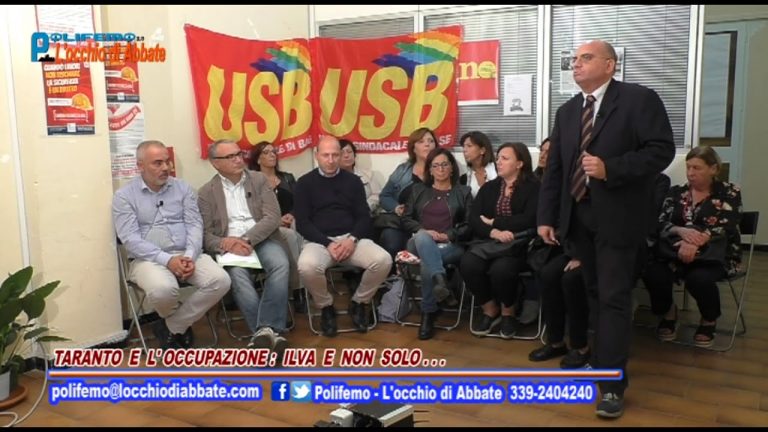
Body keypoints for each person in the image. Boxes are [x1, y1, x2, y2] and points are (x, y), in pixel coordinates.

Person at [537, 40, 675, 418]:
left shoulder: (638, 99)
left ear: (610, 65)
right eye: (574, 59)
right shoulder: (568, 111)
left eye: (586, 58)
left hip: (618, 218)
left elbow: (661, 151)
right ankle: (600, 361)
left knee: (613, 298)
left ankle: (612, 385)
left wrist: (611, 168)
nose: (576, 64)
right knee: (595, 294)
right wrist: (546, 217)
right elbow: (556, 169)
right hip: (578, 218)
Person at [113, 140, 230, 349]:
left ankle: (172, 326)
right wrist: (168, 260)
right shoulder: (124, 196)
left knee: (221, 281)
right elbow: (130, 239)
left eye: (167, 162)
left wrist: (189, 255)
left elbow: (195, 225)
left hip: (187, 253)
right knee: (163, 291)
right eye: (157, 163)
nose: (166, 167)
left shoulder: (183, 188)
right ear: (140, 166)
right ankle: (180, 325)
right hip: (148, 259)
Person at [198, 139, 295, 354]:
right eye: (230, 156)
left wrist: (246, 239)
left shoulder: (259, 180)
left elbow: (272, 217)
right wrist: (226, 243)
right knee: (237, 275)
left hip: (261, 238)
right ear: (215, 163)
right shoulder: (206, 193)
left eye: (238, 154)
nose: (237, 159)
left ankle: (264, 331)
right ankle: (268, 332)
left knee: (280, 263)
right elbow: (205, 235)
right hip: (230, 246)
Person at [642, 146, 742, 348]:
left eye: (697, 168)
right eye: (688, 167)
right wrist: (680, 231)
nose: (690, 173)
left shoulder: (729, 192)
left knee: (699, 278)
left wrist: (695, 241)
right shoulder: (676, 192)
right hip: (674, 253)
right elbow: (660, 222)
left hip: (714, 254)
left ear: (713, 169)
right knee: (651, 271)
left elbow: (728, 224)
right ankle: (668, 312)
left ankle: (708, 319)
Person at [294, 136, 392, 337]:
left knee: (383, 260)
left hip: (351, 239)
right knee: (306, 266)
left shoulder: (353, 181)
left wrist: (352, 239)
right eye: (326, 155)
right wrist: (327, 243)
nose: (330, 160)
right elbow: (302, 223)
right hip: (319, 241)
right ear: (317, 156)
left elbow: (363, 216)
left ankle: (359, 302)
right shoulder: (304, 183)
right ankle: (325, 306)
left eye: (335, 155)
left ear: (341, 156)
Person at [459, 142, 539, 339]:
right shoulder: (490, 187)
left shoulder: (534, 187)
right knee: (468, 263)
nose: (499, 162)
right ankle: (490, 309)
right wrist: (494, 232)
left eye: (505, 158)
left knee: (501, 270)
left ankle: (508, 312)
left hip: (519, 244)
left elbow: (530, 219)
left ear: (520, 163)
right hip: (489, 242)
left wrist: (496, 222)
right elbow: (475, 218)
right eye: (498, 158)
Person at [400, 148, 472, 340]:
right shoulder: (418, 190)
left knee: (428, 262)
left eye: (445, 164)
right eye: (436, 165)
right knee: (423, 237)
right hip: (418, 242)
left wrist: (448, 235)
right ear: (430, 170)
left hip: (451, 245)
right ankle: (440, 281)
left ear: (452, 168)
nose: (441, 169)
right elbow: (406, 219)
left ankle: (428, 311)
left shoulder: (463, 192)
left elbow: (469, 224)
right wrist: (425, 231)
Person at [248, 141, 306, 313]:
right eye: (266, 152)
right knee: (291, 236)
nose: (272, 155)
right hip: (267, 227)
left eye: (273, 151)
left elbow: (300, 202)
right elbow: (251, 211)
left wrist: (292, 214)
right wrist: (275, 221)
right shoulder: (251, 181)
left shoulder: (287, 178)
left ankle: (298, 286)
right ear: (258, 159)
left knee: (296, 230)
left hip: (291, 223)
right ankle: (298, 289)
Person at [377, 127, 437, 260]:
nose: (427, 144)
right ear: (413, 148)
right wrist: (396, 208)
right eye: (421, 141)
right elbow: (385, 196)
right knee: (390, 241)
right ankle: (395, 272)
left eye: (431, 141)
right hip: (403, 222)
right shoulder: (403, 170)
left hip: (432, 223)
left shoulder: (442, 169)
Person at [339, 139, 382, 214]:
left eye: (349, 152)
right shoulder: (331, 178)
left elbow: (377, 195)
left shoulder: (368, 175)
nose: (346, 155)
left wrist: (364, 207)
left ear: (354, 155)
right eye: (342, 153)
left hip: (365, 214)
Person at [458, 131, 497, 197]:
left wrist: (483, 185)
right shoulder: (463, 179)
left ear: (482, 150)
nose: (464, 150)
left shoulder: (498, 171)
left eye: (469, 146)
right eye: (463, 146)